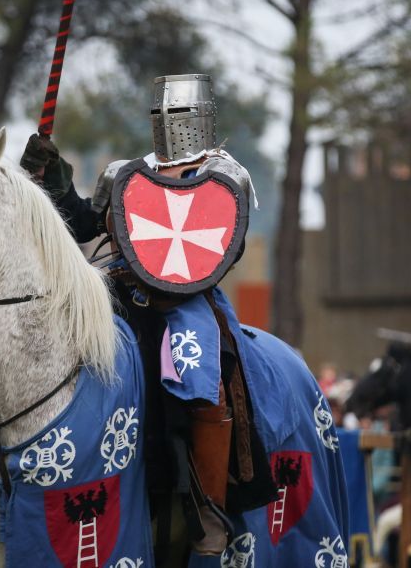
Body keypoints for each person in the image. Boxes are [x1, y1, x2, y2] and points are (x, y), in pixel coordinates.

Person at [21, 75, 275, 556]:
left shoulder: (225, 174)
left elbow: (227, 249)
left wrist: (170, 277)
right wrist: (55, 178)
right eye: (160, 115)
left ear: (203, 118)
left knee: (203, 373)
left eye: (177, 115)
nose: (169, 125)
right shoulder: (126, 173)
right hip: (117, 288)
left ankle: (207, 503)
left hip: (186, 300)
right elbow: (82, 223)